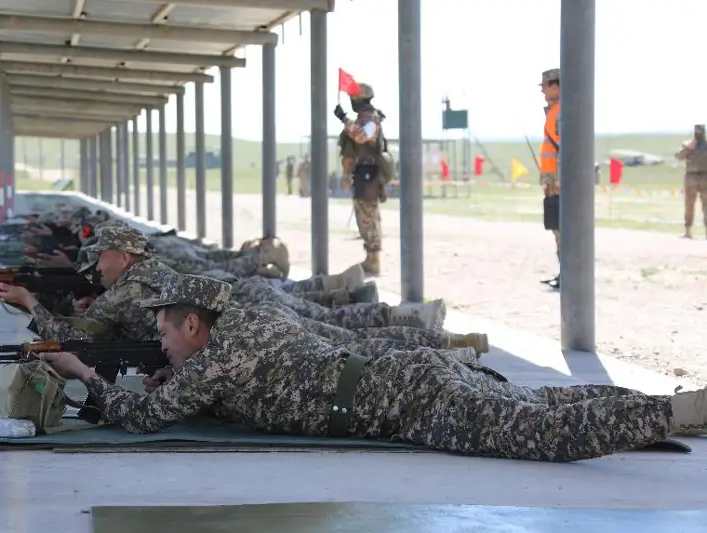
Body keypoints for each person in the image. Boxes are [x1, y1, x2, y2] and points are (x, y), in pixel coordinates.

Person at [41, 274, 707, 463]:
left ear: (193, 324)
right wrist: (182, 380)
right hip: (406, 374)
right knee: (539, 408)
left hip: (407, 401)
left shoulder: (217, 362)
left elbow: (140, 418)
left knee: (545, 437)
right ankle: (671, 407)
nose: (163, 346)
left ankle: (678, 411)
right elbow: (231, 383)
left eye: (166, 331)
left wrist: (83, 375)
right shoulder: (246, 330)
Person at [0, 225, 175, 342]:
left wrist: (27, 301)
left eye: (101, 258)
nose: (98, 268)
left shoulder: (123, 293)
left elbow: (70, 340)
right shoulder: (160, 270)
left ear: (123, 258)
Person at [334, 83, 395, 276]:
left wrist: (344, 119)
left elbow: (361, 136)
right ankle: (370, 257)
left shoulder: (370, 119)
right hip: (361, 174)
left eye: (353, 97)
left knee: (368, 215)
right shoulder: (363, 118)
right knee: (363, 215)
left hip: (369, 174)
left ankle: (374, 259)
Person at [538, 68, 562, 290]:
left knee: (562, 228)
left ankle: (568, 274)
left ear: (555, 87)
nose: (543, 91)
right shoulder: (554, 111)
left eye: (545, 86)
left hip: (559, 182)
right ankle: (564, 272)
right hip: (554, 180)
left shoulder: (560, 112)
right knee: (557, 227)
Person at [674, 124, 707, 239]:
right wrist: (689, 147)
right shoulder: (687, 144)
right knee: (689, 204)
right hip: (691, 177)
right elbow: (679, 157)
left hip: (704, 177)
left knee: (706, 206)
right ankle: (688, 231)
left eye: (700, 132)